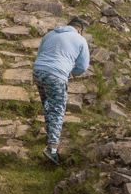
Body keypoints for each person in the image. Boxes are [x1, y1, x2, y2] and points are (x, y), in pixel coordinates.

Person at [33, 17, 90, 164]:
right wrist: (73, 73)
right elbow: (83, 66)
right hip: (56, 74)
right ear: (79, 30)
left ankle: (50, 137)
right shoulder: (79, 39)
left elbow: (40, 53)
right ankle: (52, 149)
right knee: (57, 109)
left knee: (48, 105)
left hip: (39, 71)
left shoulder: (50, 34)